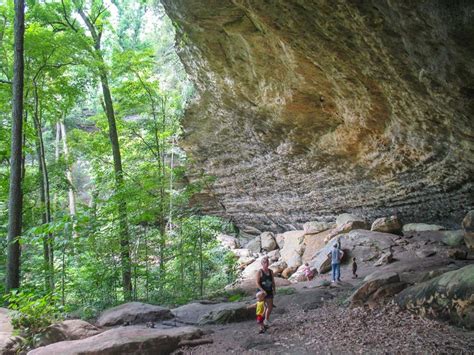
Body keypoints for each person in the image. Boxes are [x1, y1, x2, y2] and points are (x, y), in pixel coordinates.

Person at [256, 256, 275, 326]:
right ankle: (261, 322)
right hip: (261, 292)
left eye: (267, 262)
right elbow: (257, 283)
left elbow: (273, 281)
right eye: (264, 262)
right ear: (262, 263)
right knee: (262, 307)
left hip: (269, 290)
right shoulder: (259, 272)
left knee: (270, 306)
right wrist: (262, 290)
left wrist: (274, 289)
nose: (266, 263)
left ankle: (266, 320)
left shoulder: (271, 271)